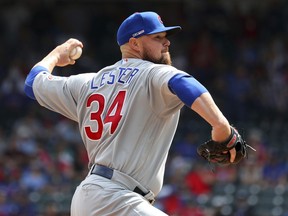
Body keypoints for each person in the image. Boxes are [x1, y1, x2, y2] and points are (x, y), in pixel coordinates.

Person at [24, 11, 236, 216]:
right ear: (135, 43)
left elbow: (32, 83)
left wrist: (56, 55)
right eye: (158, 37)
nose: (167, 42)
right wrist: (221, 126)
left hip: (93, 197)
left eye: (166, 37)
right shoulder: (151, 73)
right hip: (115, 198)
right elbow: (183, 83)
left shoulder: (87, 83)